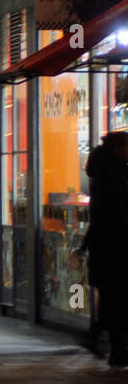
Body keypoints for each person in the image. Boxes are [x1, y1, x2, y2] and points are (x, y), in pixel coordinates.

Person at [85, 131, 128, 366]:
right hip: (116, 248)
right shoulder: (115, 178)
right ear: (117, 149)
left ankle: (110, 341)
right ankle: (114, 345)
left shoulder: (102, 176)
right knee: (117, 297)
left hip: (104, 248)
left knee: (112, 297)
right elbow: (119, 215)